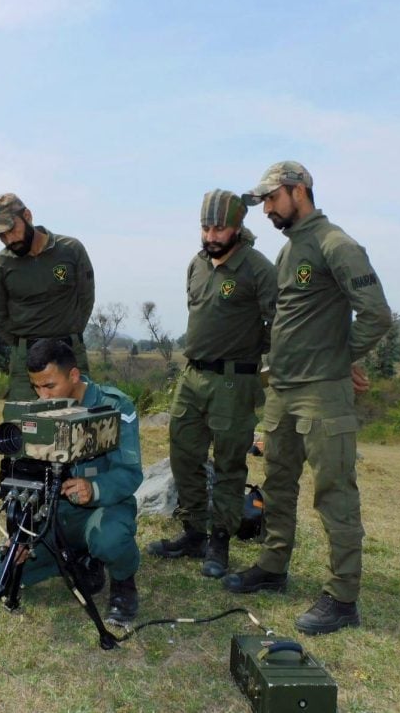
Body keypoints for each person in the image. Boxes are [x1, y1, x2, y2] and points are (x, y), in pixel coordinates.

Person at [222, 162, 392, 635]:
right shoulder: (289, 250)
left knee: (334, 492)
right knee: (277, 482)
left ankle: (342, 597)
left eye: (272, 199)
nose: (268, 209)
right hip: (283, 390)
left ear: (299, 191)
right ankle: (273, 567)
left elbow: (376, 315)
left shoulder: (337, 244)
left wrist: (340, 359)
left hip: (322, 393)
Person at [147, 189, 277, 580]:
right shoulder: (197, 265)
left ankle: (220, 538)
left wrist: (256, 357)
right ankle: (194, 533)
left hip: (234, 382)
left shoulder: (258, 268)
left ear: (238, 226)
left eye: (219, 228)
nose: (211, 235)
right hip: (193, 375)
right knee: (184, 456)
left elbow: (280, 323)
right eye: (206, 227)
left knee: (229, 464)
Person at [0, 338, 143, 626]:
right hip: (53, 516)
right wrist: (22, 533)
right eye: (36, 387)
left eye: (49, 386)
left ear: (74, 376)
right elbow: (25, 476)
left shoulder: (112, 406)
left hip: (101, 510)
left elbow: (130, 472)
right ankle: (73, 560)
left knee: (109, 539)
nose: (42, 396)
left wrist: (93, 489)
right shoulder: (36, 412)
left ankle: (123, 581)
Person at [0, 193, 95, 400]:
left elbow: (86, 299)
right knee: (23, 425)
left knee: (80, 421)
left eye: (11, 230)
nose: (9, 239)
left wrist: (68, 334)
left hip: (69, 353)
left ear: (27, 216)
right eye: (1, 236)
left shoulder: (71, 250)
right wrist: (25, 344)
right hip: (26, 360)